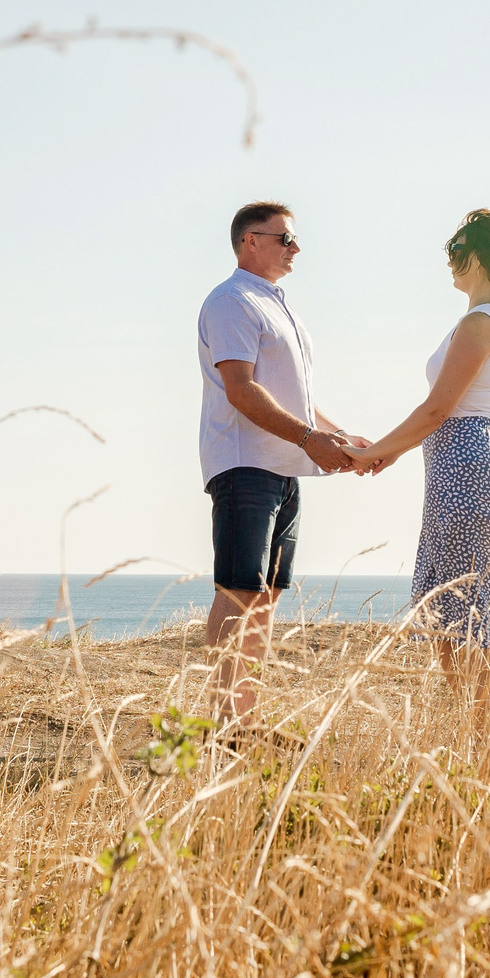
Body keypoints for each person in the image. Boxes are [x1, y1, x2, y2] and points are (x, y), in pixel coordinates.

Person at [348, 209, 490, 728]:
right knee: (462, 609)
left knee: (461, 608)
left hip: (465, 461)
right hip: (466, 459)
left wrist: (376, 451)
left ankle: (480, 735)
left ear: (475, 256)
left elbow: (439, 408)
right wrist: (386, 450)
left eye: (455, 254)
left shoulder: (482, 322)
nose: (449, 266)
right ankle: (478, 734)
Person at [198, 202, 368, 723]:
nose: (296, 249)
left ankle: (246, 723)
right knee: (239, 591)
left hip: (285, 471)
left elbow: (291, 395)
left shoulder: (276, 305)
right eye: (284, 239)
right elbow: (242, 391)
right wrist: (310, 436)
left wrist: (338, 436)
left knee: (266, 597)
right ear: (250, 241)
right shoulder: (231, 302)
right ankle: (221, 727)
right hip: (245, 465)